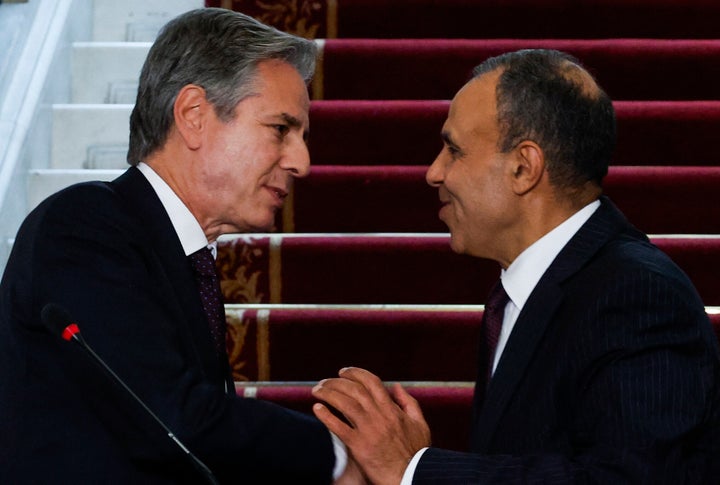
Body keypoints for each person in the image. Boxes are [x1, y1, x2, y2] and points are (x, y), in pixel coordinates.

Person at [312, 49, 720, 484]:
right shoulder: (534, 285)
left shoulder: (636, 295)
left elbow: (629, 479)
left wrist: (414, 470)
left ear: (524, 168)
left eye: (454, 150)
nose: (434, 173)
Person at [0, 8, 347, 483]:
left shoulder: (186, 255)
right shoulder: (83, 227)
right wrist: (337, 455)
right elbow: (169, 417)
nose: (302, 162)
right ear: (193, 116)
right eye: (280, 129)